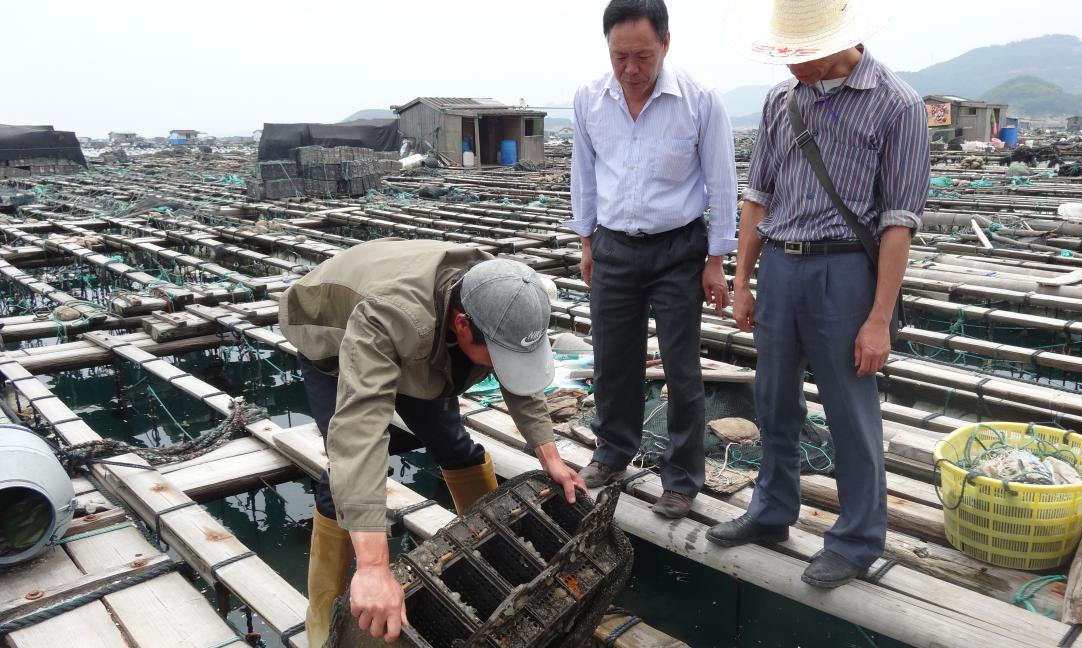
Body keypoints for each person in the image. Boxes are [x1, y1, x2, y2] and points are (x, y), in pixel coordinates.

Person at [706, 0, 929, 589]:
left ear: (841, 37)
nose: (793, 65)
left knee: (850, 412)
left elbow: (899, 221)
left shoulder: (897, 105)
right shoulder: (783, 99)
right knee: (775, 401)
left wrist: (879, 318)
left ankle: (856, 540)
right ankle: (771, 510)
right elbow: (759, 195)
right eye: (787, 53)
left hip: (846, 274)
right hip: (781, 267)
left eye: (803, 53)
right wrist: (743, 281)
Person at [279, 239, 586, 645]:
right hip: (329, 329)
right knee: (342, 480)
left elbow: (520, 375)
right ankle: (323, 623)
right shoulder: (388, 317)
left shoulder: (503, 289)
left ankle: (491, 553)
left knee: (456, 447)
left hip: (420, 329)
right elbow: (361, 433)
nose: (500, 364)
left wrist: (550, 455)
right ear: (461, 324)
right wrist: (373, 567)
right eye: (495, 353)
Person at [568, 0, 738, 519]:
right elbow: (585, 173)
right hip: (614, 245)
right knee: (613, 358)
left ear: (666, 43)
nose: (631, 70)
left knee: (680, 366)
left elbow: (722, 182)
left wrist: (716, 259)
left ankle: (682, 478)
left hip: (678, 248)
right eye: (620, 57)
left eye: (642, 56)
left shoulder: (700, 99)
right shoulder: (589, 99)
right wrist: (586, 241)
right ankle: (613, 451)